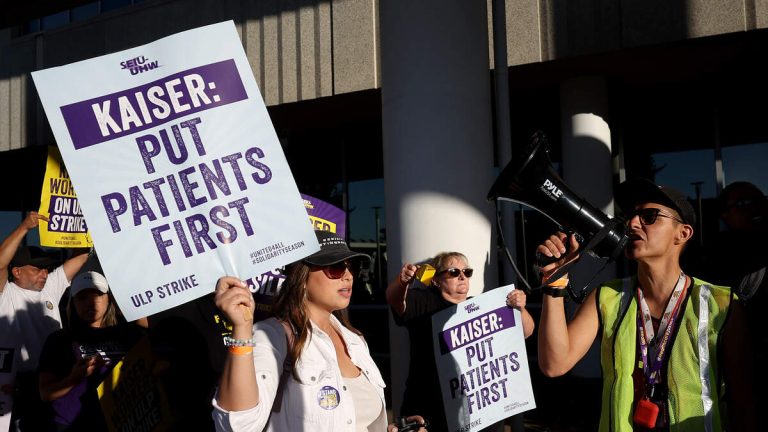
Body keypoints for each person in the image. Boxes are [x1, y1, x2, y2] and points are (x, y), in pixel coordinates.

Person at [536, 178, 756, 431]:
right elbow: (554, 364)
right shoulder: (607, 296)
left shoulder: (722, 303)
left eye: (649, 216)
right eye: (630, 216)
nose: (632, 223)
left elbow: (743, 403)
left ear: (683, 233)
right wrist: (555, 281)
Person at [212, 230, 425, 431]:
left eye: (352, 267)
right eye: (336, 267)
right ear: (302, 278)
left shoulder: (355, 340)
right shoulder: (271, 336)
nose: (348, 276)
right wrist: (241, 328)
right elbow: (239, 425)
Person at [386, 252, 535, 432]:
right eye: (454, 272)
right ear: (436, 280)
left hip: (477, 412)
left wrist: (520, 308)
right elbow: (394, 299)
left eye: (467, 272)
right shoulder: (423, 301)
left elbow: (526, 331)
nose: (462, 276)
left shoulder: (483, 305)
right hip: (428, 410)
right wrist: (402, 282)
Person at [0, 211, 89, 430]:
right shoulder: (5, 293)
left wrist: (80, 226)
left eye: (46, 269)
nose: (45, 273)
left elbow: (82, 256)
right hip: (20, 385)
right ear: (17, 271)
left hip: (57, 378)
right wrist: (24, 227)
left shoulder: (50, 286)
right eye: (37, 268)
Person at [37, 271, 146, 431]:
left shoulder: (128, 334)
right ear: (72, 303)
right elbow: (46, 393)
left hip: (122, 421)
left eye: (97, 295)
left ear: (109, 298)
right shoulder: (59, 340)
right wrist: (74, 378)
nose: (90, 302)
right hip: (75, 425)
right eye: (82, 297)